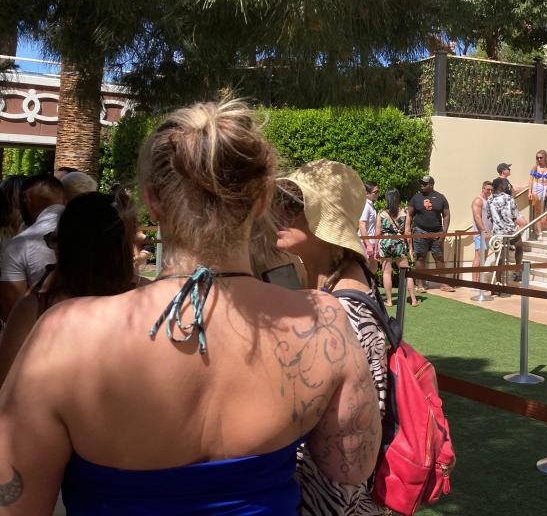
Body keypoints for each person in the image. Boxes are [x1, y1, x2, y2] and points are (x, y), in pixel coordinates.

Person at [0, 100, 380, 514]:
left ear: (152, 201)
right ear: (262, 200)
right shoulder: (322, 321)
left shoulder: (66, 334)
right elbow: (351, 468)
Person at [274, 160, 391, 516]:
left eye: (294, 204)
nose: (279, 212)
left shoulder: (346, 306)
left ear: (323, 219)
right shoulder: (325, 282)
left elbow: (351, 434)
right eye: (279, 200)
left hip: (328, 497)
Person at [0, 192, 135, 386]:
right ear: (123, 246)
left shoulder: (36, 307)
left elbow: (5, 384)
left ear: (66, 247)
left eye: (54, 240)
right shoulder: (148, 300)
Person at [0, 175, 66, 320]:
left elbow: (11, 313)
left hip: (40, 333)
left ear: (27, 198)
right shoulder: (93, 231)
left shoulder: (19, 245)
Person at [405, 175, 452, 293]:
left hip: (437, 232)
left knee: (439, 258)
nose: (422, 185)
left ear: (431, 185)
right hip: (420, 231)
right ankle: (420, 284)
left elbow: (446, 215)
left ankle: (443, 283)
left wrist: (444, 233)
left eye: (424, 184)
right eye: (421, 183)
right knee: (420, 257)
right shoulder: (416, 198)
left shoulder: (441, 198)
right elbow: (409, 214)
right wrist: (408, 229)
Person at [376, 187, 418, 308]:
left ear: (387, 198)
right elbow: (408, 233)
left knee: (387, 272)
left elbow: (378, 233)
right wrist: (410, 249)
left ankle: (389, 301)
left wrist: (377, 248)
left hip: (385, 243)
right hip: (399, 243)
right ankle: (414, 299)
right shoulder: (405, 213)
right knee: (406, 273)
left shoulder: (381, 213)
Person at [485, 177, 522, 277]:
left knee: (499, 257)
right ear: (501, 186)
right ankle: (518, 269)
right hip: (511, 231)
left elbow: (490, 217)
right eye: (503, 184)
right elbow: (515, 215)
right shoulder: (509, 198)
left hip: (498, 232)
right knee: (519, 246)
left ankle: (498, 280)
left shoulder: (489, 201)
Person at [527, 151, 547, 238]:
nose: (539, 159)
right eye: (537, 158)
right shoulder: (535, 167)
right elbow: (530, 180)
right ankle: (539, 231)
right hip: (536, 188)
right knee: (537, 211)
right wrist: (529, 192)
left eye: (541, 157)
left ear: (545, 157)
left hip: (546, 188)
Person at [471, 181, 493, 270]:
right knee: (478, 257)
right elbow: (477, 217)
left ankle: (479, 281)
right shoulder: (478, 200)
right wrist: (484, 231)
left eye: (491, 190)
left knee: (483, 258)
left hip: (487, 234)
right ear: (483, 188)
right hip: (480, 234)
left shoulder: (488, 201)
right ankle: (474, 283)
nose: (489, 191)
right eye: (488, 189)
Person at [359, 182, 379, 270]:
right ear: (367, 193)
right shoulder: (366, 206)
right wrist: (368, 244)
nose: (377, 194)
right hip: (366, 243)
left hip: (370, 242)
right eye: (375, 192)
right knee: (366, 269)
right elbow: (362, 225)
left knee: (373, 268)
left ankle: (371, 284)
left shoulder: (370, 205)